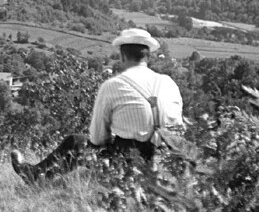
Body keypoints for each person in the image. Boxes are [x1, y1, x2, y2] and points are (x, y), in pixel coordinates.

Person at [10, 28, 185, 184]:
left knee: (76, 142)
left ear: (122, 56)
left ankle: (34, 174)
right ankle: (42, 179)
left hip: (128, 161)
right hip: (164, 160)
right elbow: (178, 128)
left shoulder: (113, 85)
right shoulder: (169, 83)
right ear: (148, 56)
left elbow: (97, 138)